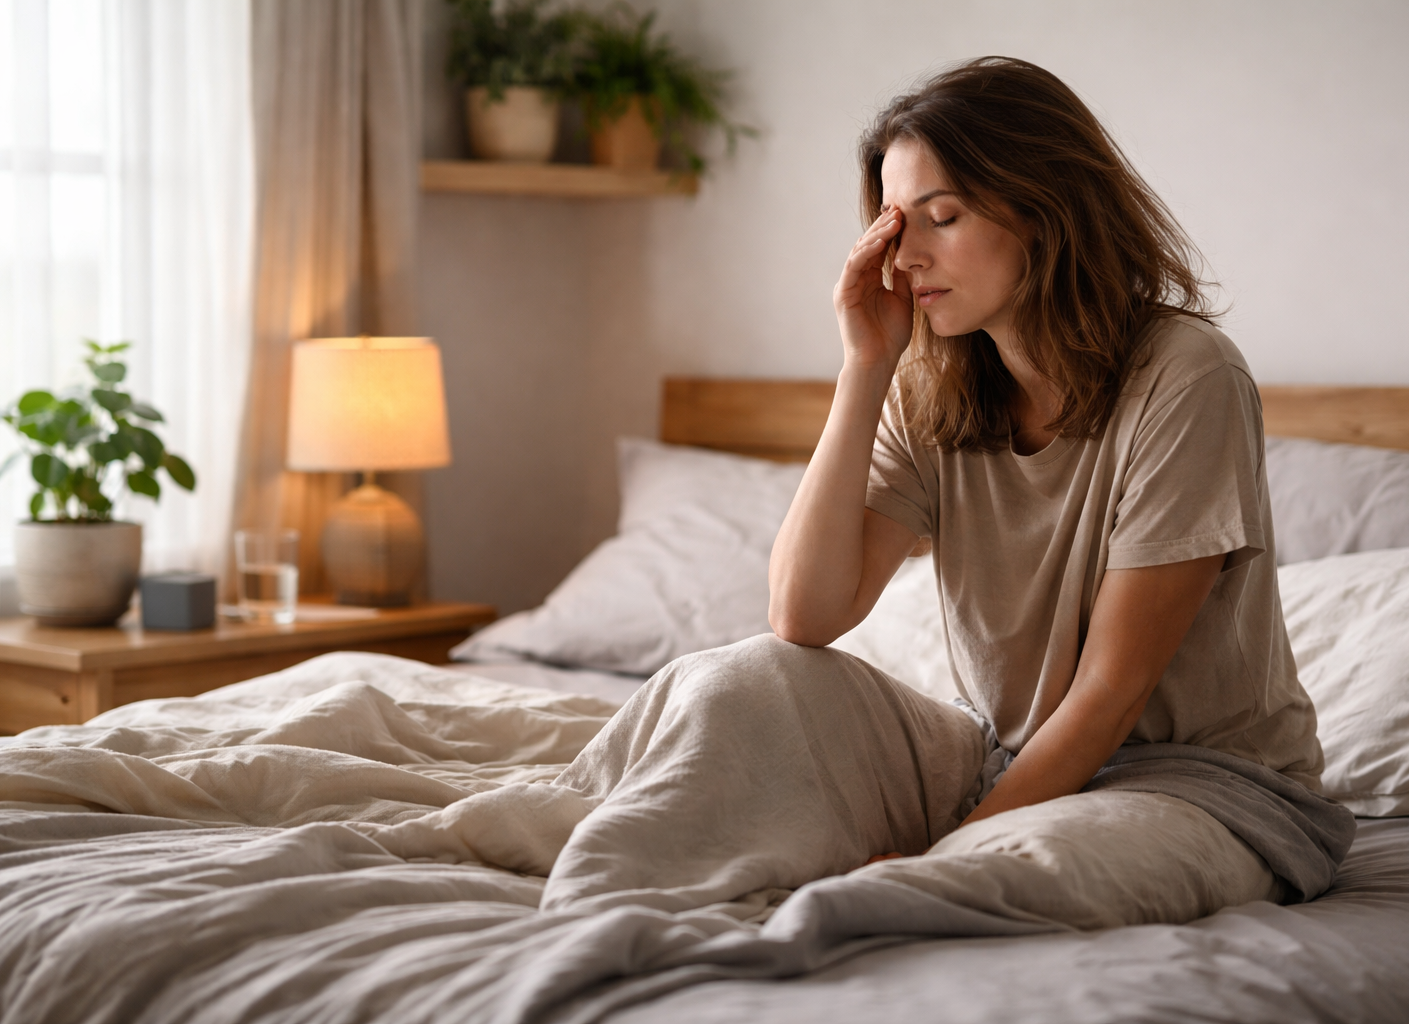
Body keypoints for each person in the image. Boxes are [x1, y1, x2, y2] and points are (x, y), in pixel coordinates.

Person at [539, 56, 1352, 926]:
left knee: (1017, 869)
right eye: (896, 224)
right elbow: (805, 616)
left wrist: (944, 851)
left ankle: (857, 914)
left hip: (1206, 787)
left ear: (1046, 208)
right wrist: (865, 365)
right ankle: (600, 894)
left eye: (944, 217)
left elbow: (1111, 690)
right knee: (746, 680)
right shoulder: (933, 391)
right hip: (997, 759)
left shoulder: (1188, 378)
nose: (909, 254)